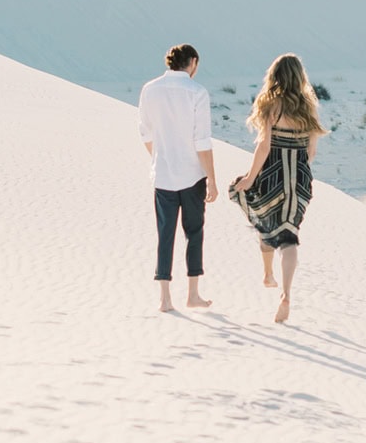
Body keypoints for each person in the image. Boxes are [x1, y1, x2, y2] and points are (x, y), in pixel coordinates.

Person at [229, 53, 326, 323]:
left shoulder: (270, 103)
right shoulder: (309, 106)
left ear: (274, 75)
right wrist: (297, 170)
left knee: (263, 215)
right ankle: (285, 292)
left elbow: (264, 145)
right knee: (289, 235)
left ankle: (268, 272)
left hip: (272, 173)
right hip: (300, 177)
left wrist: (250, 178)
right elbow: (312, 151)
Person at [138, 42, 218, 312]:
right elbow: (202, 142)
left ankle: (164, 299)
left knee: (165, 234)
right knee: (194, 233)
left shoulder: (150, 90)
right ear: (193, 62)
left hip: (162, 175)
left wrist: (160, 158)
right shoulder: (197, 92)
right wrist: (213, 180)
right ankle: (192, 295)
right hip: (193, 175)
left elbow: (146, 134)